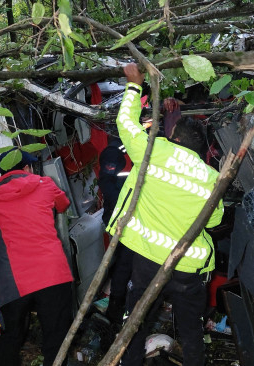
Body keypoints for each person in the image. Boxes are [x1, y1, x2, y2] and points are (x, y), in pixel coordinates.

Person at [106, 64, 224, 366]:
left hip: (149, 262)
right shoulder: (212, 177)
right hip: (189, 268)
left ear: (176, 138)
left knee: (136, 325)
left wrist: (134, 85)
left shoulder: (155, 152)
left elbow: (125, 123)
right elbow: (213, 221)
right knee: (191, 333)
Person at [0, 148, 74, 366]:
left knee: (11, 336)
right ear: (27, 168)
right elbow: (63, 204)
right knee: (56, 336)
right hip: (52, 274)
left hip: (11, 282)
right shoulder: (45, 185)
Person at [99, 136, 134, 326]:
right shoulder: (114, 152)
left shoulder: (135, 148)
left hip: (134, 220)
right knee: (123, 266)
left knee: (131, 265)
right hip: (120, 221)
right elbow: (107, 187)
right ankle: (115, 313)